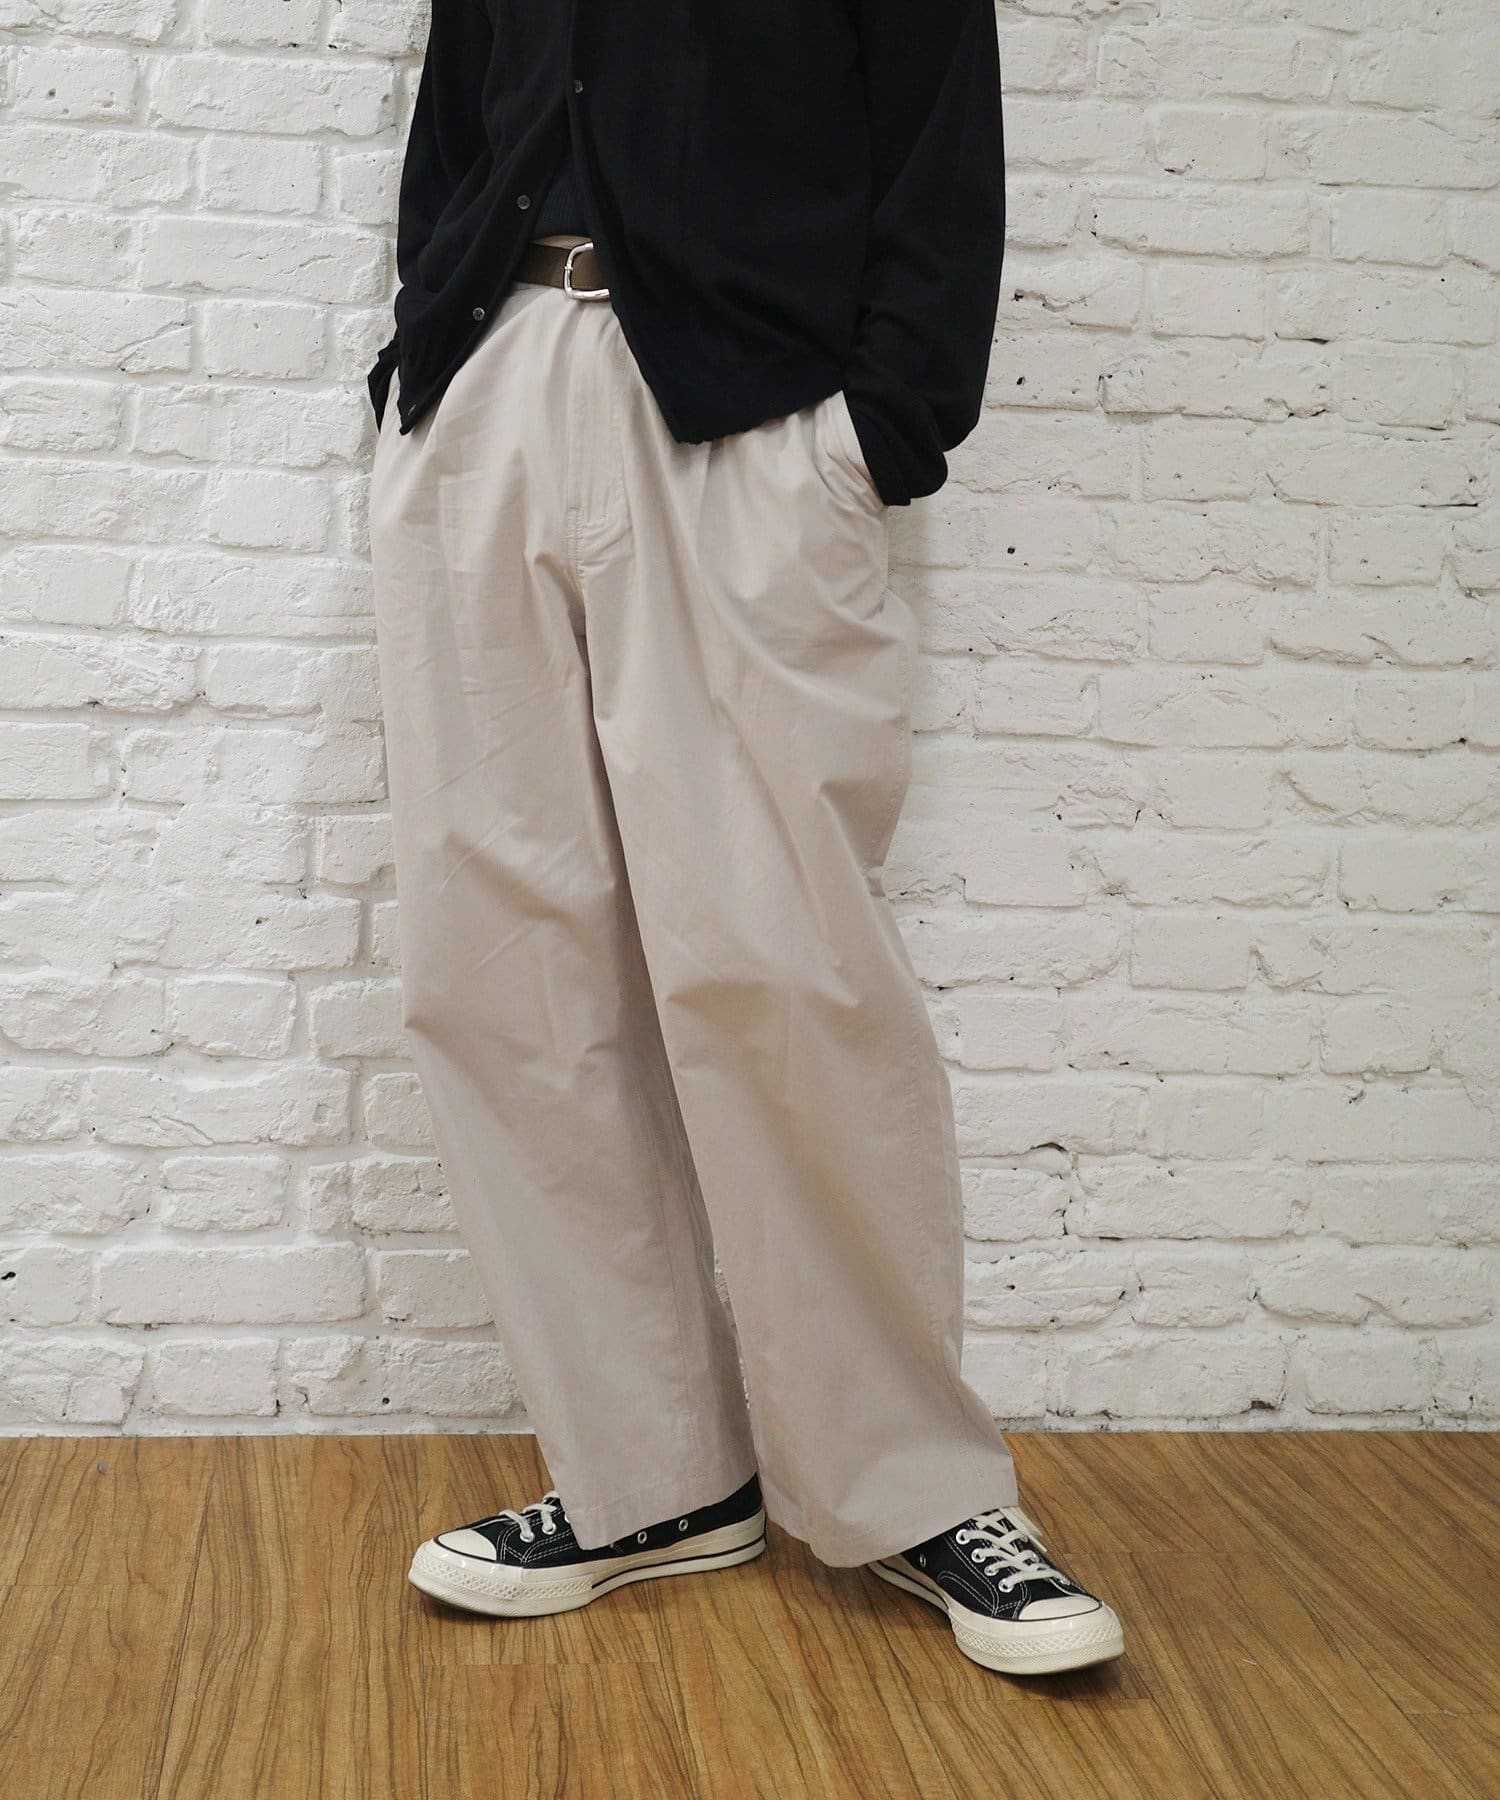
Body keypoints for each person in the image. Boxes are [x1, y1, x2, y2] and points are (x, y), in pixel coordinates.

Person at [364, 0, 1123, 1678]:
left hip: (751, 423)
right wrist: (429, 360)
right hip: (490, 389)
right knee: (498, 979)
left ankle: (914, 1485)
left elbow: (938, 160)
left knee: (783, 968)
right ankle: (649, 1480)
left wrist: (877, 433)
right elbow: (458, 121)